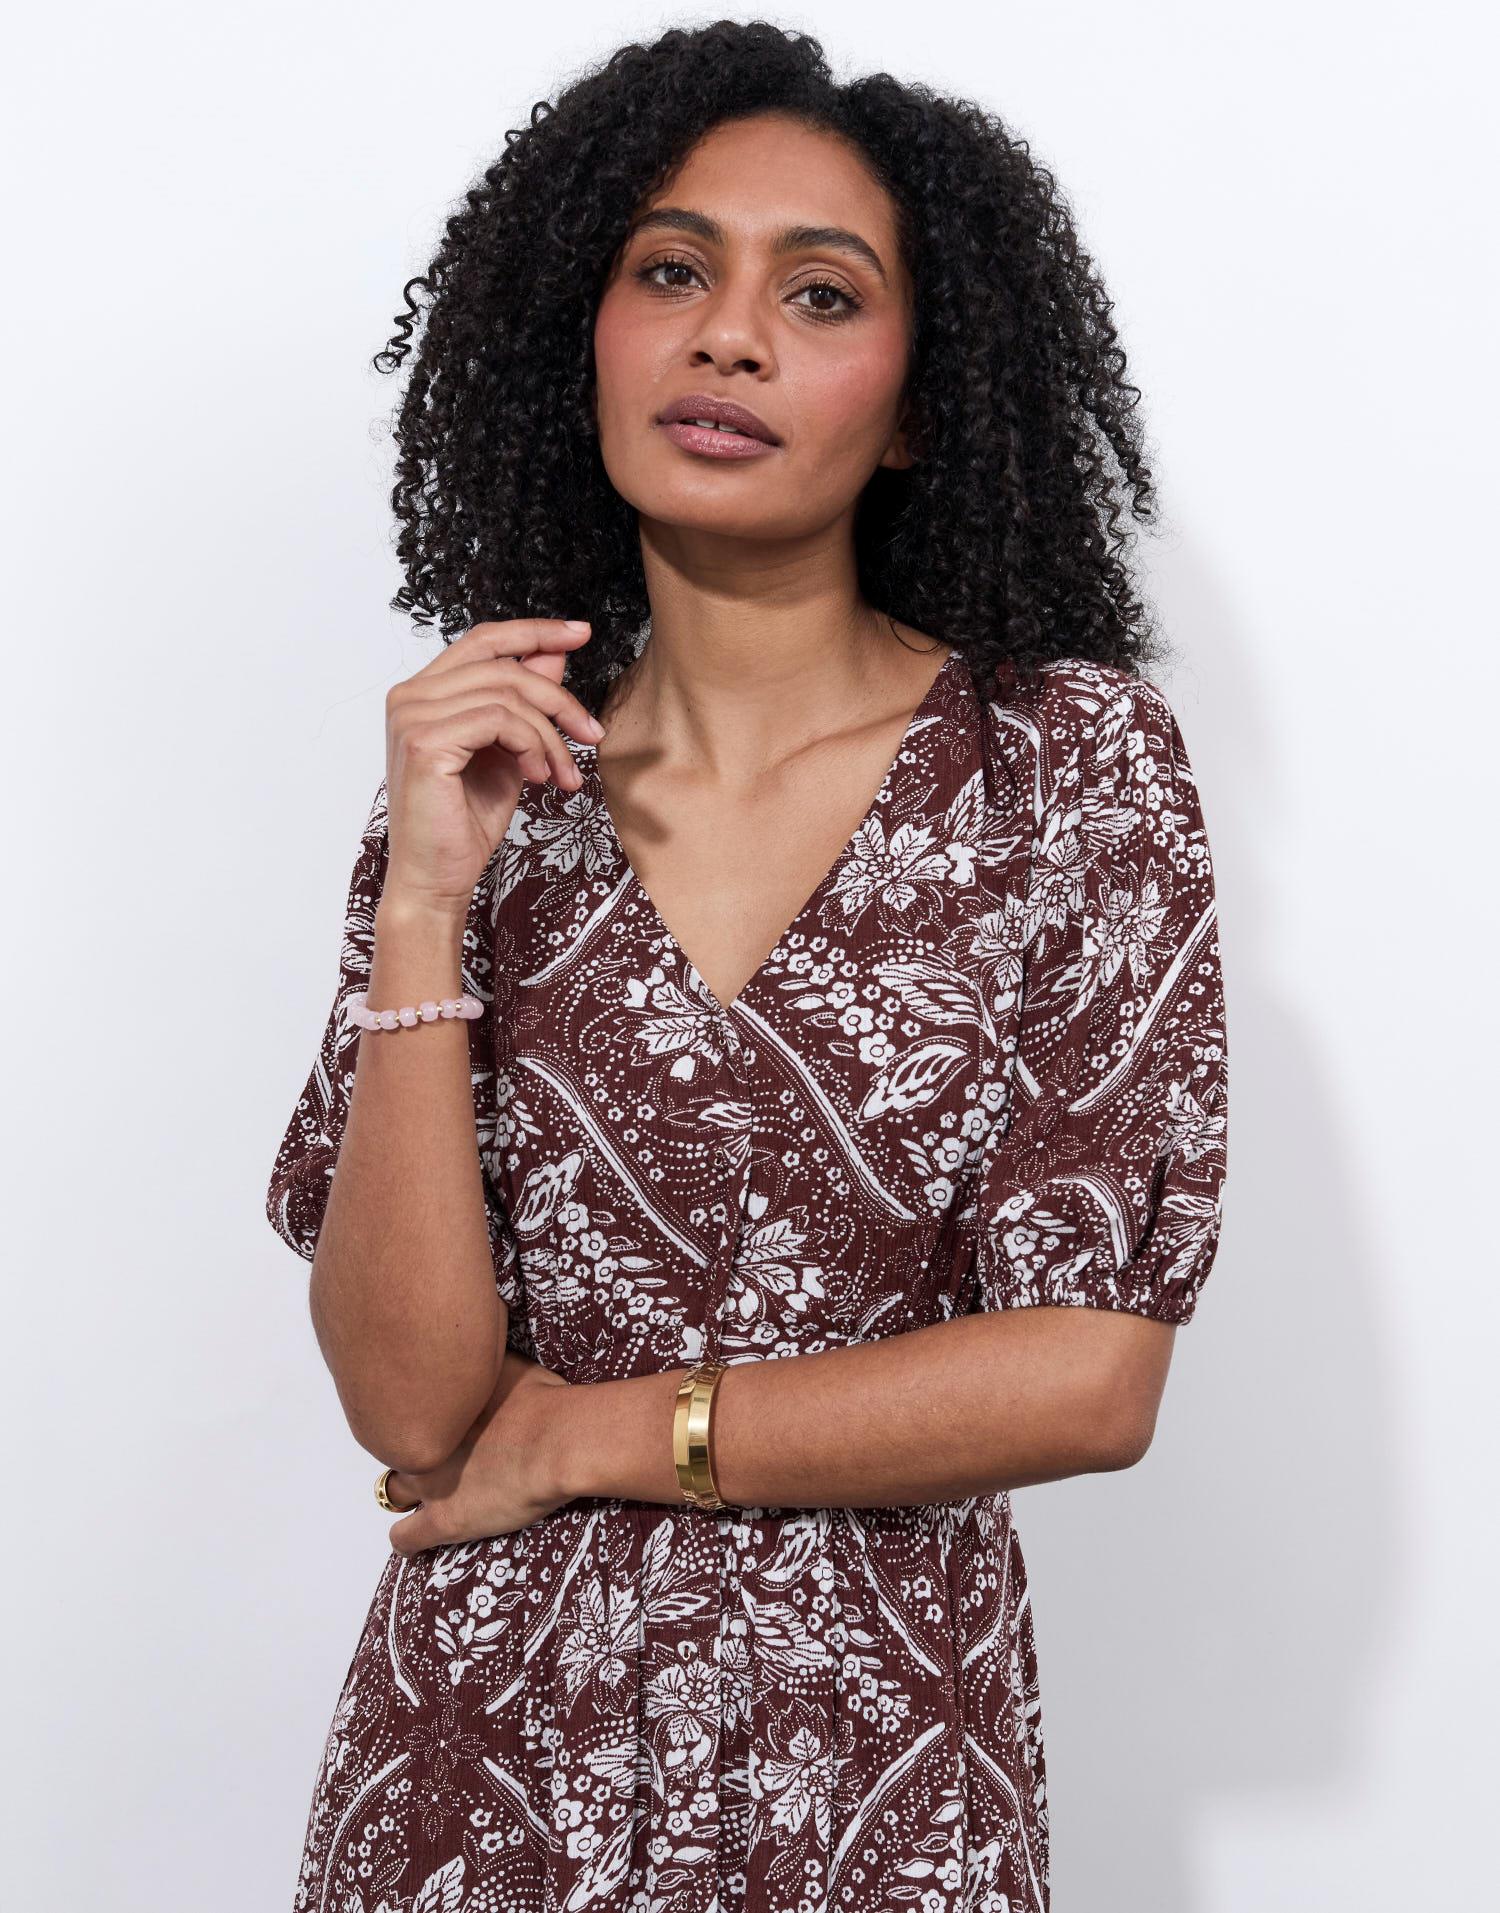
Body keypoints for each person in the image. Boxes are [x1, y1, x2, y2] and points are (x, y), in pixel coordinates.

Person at [265, 22, 1229, 1913]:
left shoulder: (1065, 769)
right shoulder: (485, 784)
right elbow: (411, 1412)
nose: (727, 339)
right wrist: (424, 907)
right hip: (483, 1781)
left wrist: (599, 1433)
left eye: (820, 294)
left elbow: (1090, 1371)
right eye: (670, 272)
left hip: (877, 1784)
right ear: (584, 336)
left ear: (923, 401)